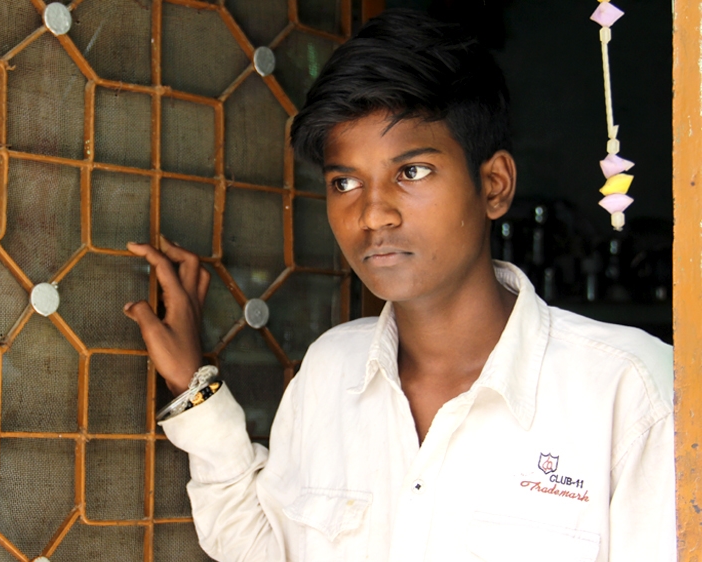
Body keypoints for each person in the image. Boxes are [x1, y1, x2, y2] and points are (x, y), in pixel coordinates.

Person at [122, 9, 674, 561]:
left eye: (411, 172)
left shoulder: (630, 392)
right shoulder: (331, 371)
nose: (373, 214)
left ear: (494, 185)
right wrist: (194, 390)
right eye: (345, 182)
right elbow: (262, 548)